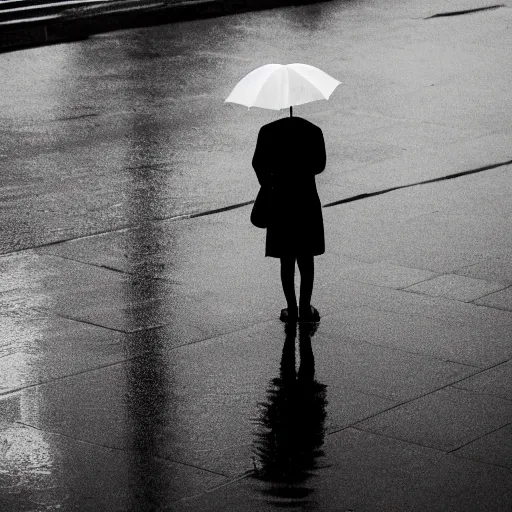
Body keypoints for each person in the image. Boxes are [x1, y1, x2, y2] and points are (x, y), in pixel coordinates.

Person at [252, 113, 326, 322]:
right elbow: (320, 165)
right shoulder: (313, 130)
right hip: (306, 199)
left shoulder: (267, 131)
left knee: (286, 258)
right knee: (306, 256)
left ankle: (291, 309)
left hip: (280, 200)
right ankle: (305, 307)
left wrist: (271, 180)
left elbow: (258, 164)